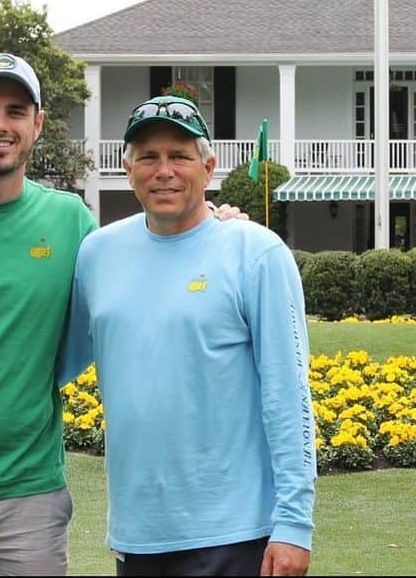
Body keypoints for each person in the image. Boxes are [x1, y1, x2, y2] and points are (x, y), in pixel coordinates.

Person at [0, 52, 246, 575]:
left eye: (16, 111)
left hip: (30, 504)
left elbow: (147, 263)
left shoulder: (70, 222)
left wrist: (211, 225)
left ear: (36, 125)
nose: (0, 124)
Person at [58, 96, 316, 576]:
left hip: (238, 536)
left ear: (209, 166)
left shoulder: (255, 253)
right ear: (127, 167)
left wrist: (294, 525)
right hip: (139, 536)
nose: (164, 171)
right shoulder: (98, 254)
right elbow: (51, 364)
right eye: (149, 157)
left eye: (180, 156)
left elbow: (289, 395)